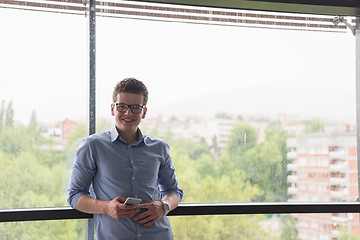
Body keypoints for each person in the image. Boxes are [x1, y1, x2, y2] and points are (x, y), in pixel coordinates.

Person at [67, 78, 183, 240]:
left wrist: (163, 206)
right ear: (113, 109)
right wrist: (106, 207)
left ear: (144, 112)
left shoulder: (160, 148)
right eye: (122, 106)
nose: (128, 113)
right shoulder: (93, 146)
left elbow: (174, 191)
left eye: (136, 108)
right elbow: (75, 196)